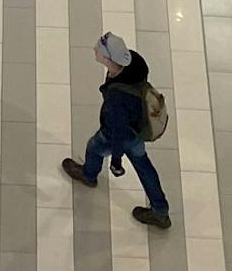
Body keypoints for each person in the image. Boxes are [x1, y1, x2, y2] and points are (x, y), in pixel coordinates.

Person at [61, 31, 171, 229]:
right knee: (144, 166)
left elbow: (118, 132)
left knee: (94, 147)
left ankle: (89, 175)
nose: (94, 49)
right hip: (137, 128)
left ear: (107, 58)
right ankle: (160, 211)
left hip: (121, 133)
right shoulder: (135, 62)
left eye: (99, 50)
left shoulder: (117, 98)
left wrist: (117, 161)